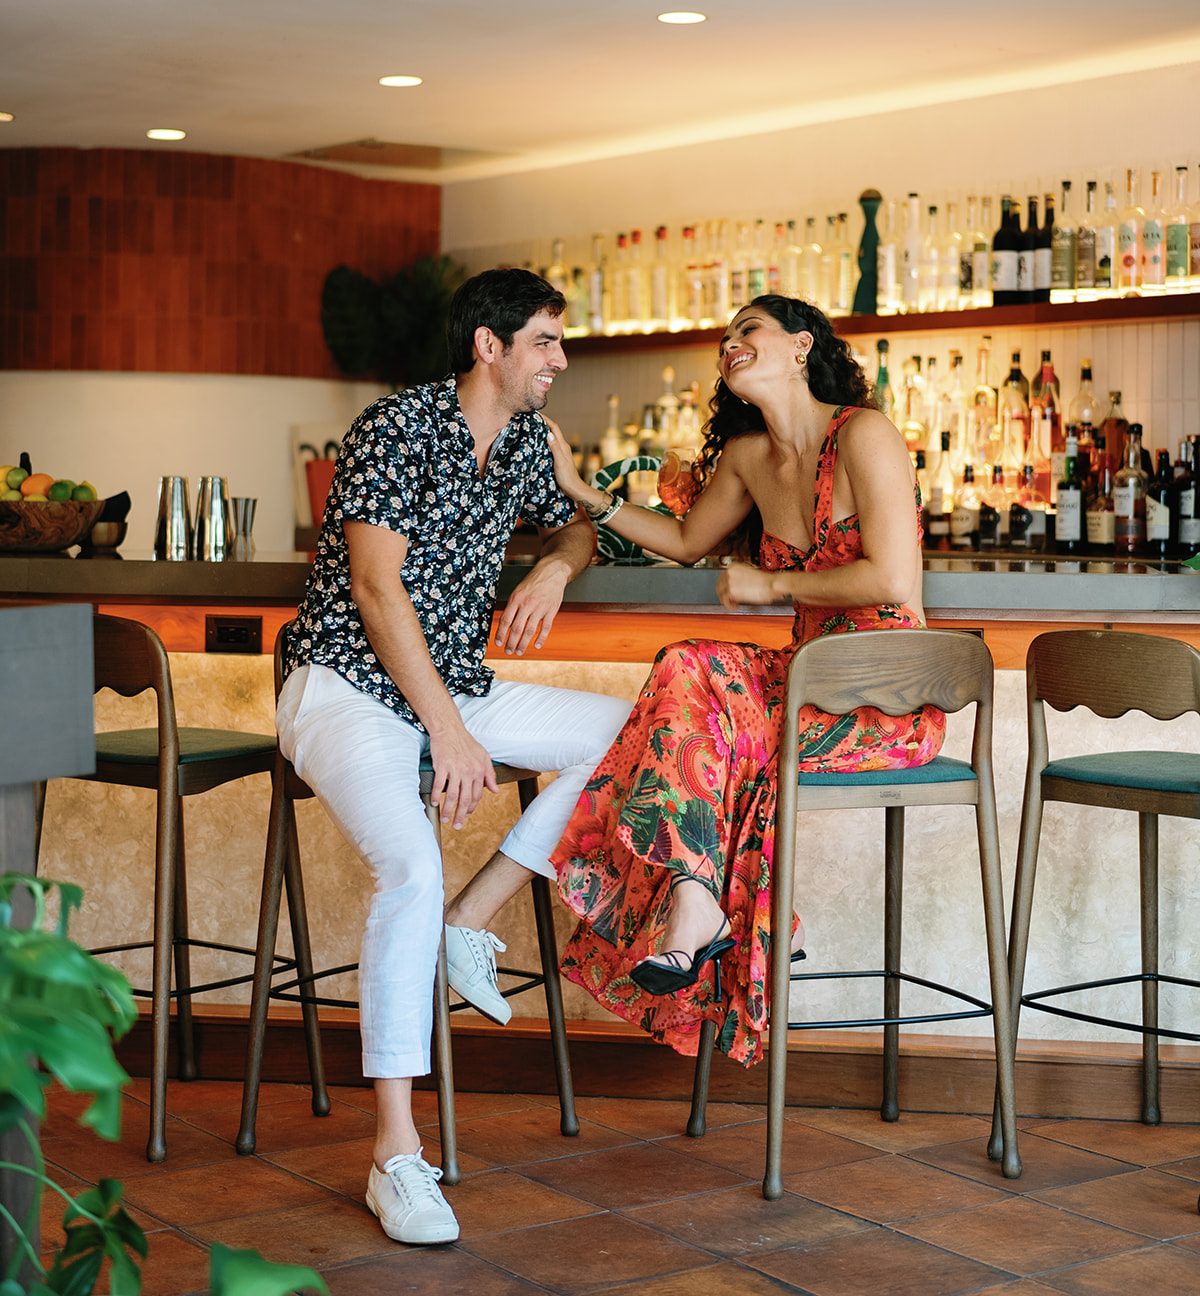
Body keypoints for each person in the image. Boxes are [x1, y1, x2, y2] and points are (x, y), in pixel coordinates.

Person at [276, 268, 631, 1245]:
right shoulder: (397, 427)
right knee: (411, 865)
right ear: (490, 345)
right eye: (548, 342)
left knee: (625, 729)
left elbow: (580, 519)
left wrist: (558, 562)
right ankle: (396, 1152)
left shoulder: (521, 444)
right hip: (346, 684)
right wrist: (448, 730)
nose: (562, 359)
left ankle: (471, 921)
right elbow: (376, 588)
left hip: (452, 689)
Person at [540, 293, 945, 1068]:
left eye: (747, 330)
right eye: (724, 336)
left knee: (723, 727)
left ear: (801, 345)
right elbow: (687, 540)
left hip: (888, 692)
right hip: (805, 685)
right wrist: (582, 491)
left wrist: (772, 585)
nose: (729, 343)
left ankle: (696, 910)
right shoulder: (748, 458)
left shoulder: (866, 434)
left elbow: (892, 575)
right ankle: (695, 898)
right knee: (687, 663)